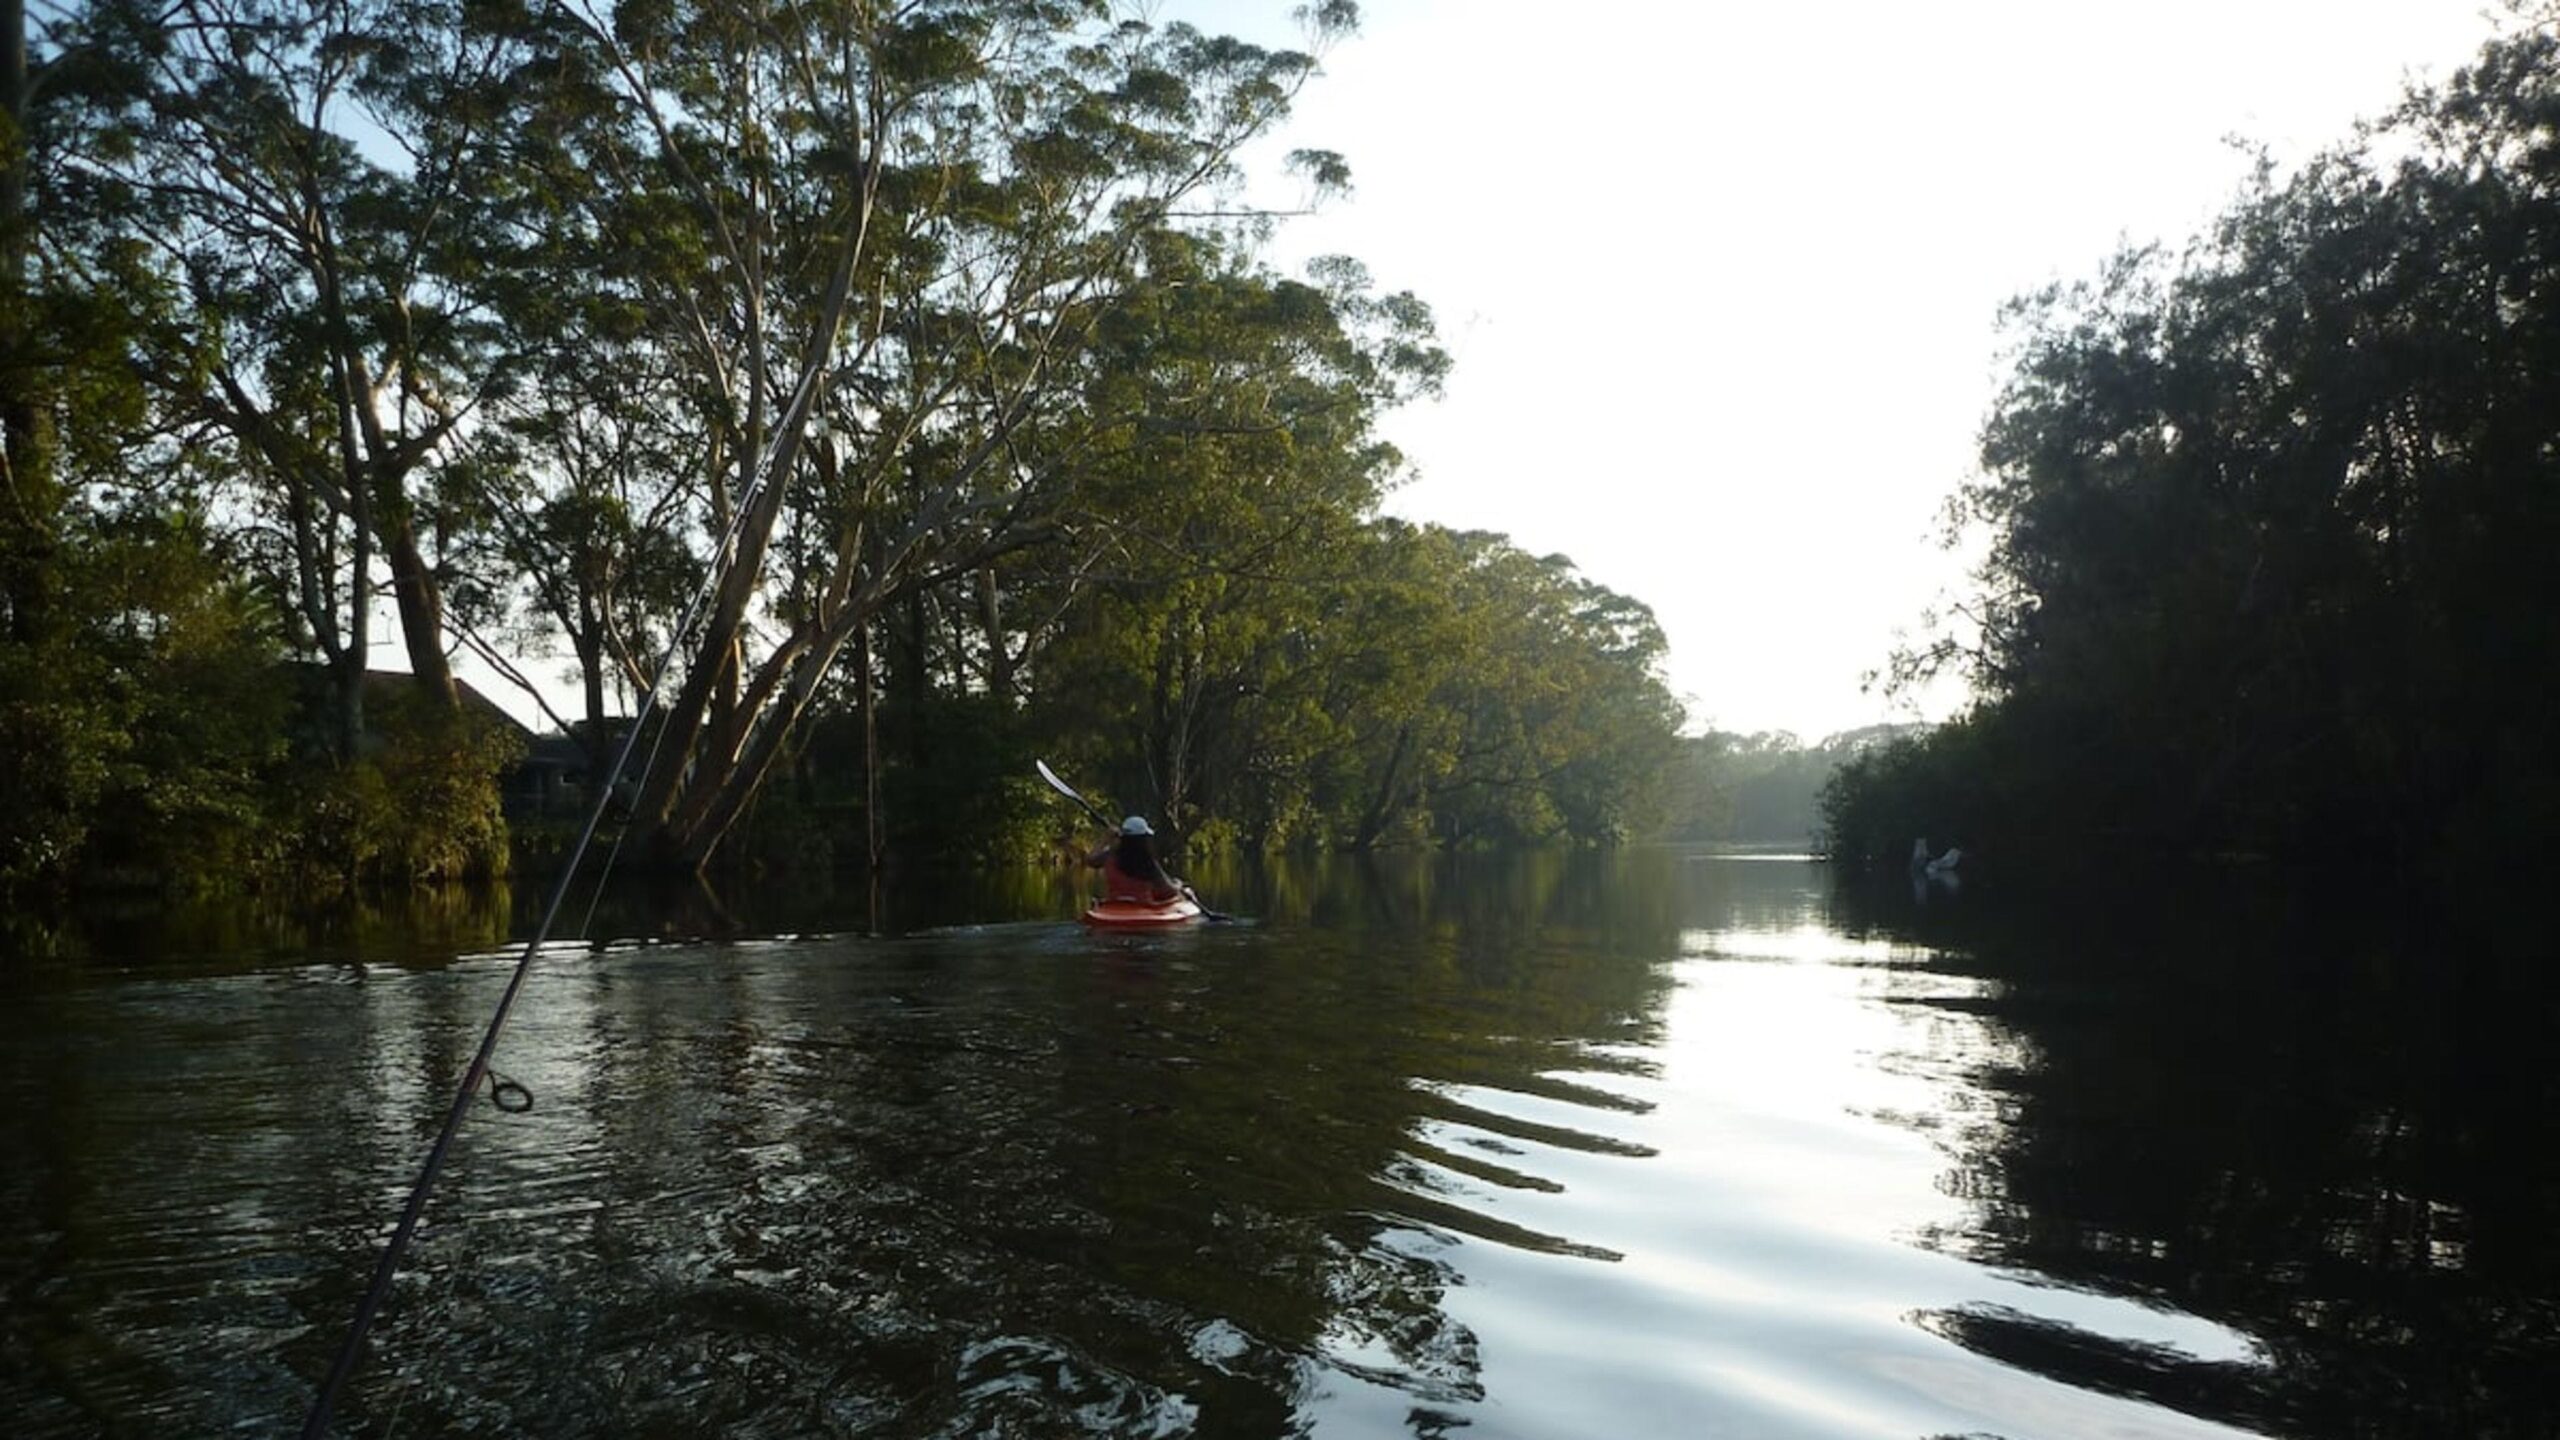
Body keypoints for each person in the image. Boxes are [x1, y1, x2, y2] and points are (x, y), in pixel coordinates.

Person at [1086, 815, 1184, 903]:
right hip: (1142, 908)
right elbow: (1169, 891)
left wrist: (1105, 839)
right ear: (1143, 839)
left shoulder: (1110, 855)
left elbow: (1090, 860)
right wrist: (1178, 884)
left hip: (1115, 906)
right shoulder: (1148, 862)